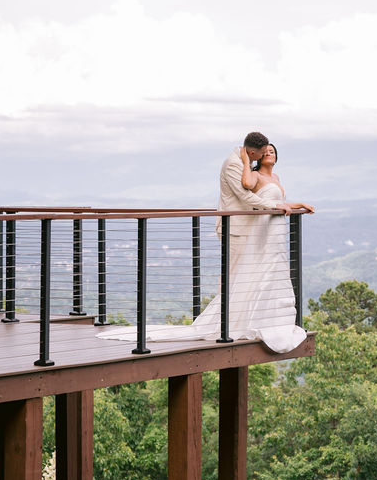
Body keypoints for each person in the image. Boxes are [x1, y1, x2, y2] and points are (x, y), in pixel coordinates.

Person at [98, 133, 313, 353]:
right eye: (261, 153)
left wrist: (294, 205)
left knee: (258, 273)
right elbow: (247, 197)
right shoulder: (235, 165)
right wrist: (274, 205)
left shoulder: (257, 168)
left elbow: (275, 199)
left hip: (260, 229)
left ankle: (256, 317)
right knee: (239, 276)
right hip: (238, 227)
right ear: (252, 153)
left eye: (270, 152)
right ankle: (230, 321)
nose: (264, 156)